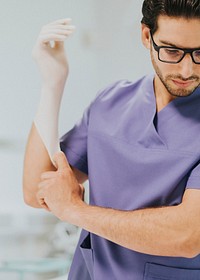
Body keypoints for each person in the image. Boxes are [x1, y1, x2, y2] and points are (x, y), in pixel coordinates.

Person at [23, 0, 200, 279]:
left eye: (199, 53)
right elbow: (38, 191)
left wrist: (74, 210)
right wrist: (52, 84)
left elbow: (188, 235)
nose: (187, 70)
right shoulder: (110, 102)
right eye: (172, 51)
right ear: (146, 36)